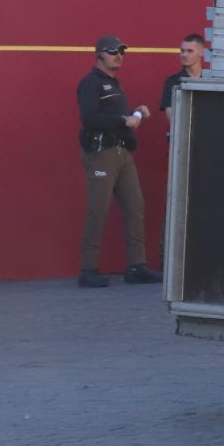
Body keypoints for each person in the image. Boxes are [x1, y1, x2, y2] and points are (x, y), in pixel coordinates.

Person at [76, 35, 161, 289]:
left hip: (123, 153)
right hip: (102, 152)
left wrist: (134, 114)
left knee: (135, 207)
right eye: (113, 51)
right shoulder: (90, 83)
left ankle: (137, 266)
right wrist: (123, 120)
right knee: (97, 210)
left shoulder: (115, 84)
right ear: (99, 54)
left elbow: (114, 116)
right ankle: (88, 269)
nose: (119, 55)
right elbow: (90, 117)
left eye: (121, 51)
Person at [161, 33, 208, 122]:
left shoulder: (211, 80)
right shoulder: (172, 82)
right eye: (182, 51)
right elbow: (173, 121)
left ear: (201, 52)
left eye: (190, 51)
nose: (184, 55)